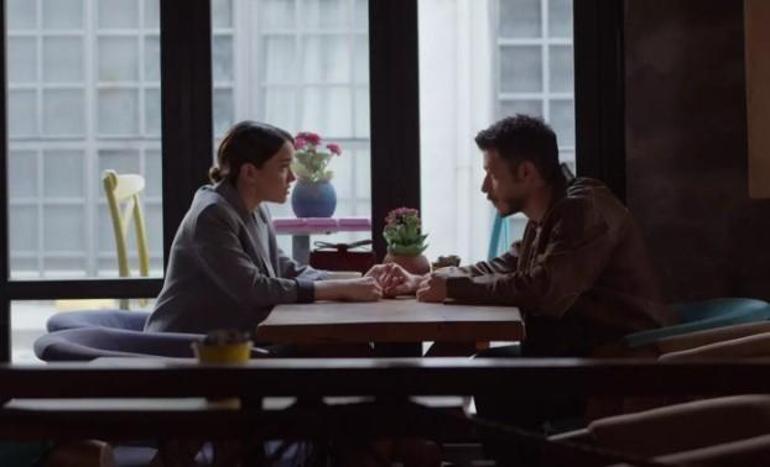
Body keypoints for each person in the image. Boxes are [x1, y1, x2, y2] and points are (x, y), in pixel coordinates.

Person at [368, 115, 675, 441]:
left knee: (487, 379)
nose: (485, 187)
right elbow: (505, 266)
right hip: (572, 351)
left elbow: (543, 289)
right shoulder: (552, 211)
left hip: (613, 364)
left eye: (492, 174)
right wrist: (426, 281)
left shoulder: (582, 211)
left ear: (526, 172)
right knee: (481, 371)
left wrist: (452, 287)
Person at [146, 121, 381, 335]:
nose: (292, 177)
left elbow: (283, 268)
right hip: (189, 348)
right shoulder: (211, 215)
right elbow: (254, 289)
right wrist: (340, 289)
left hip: (233, 340)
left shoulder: (255, 207)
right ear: (249, 173)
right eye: (283, 167)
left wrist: (359, 280)